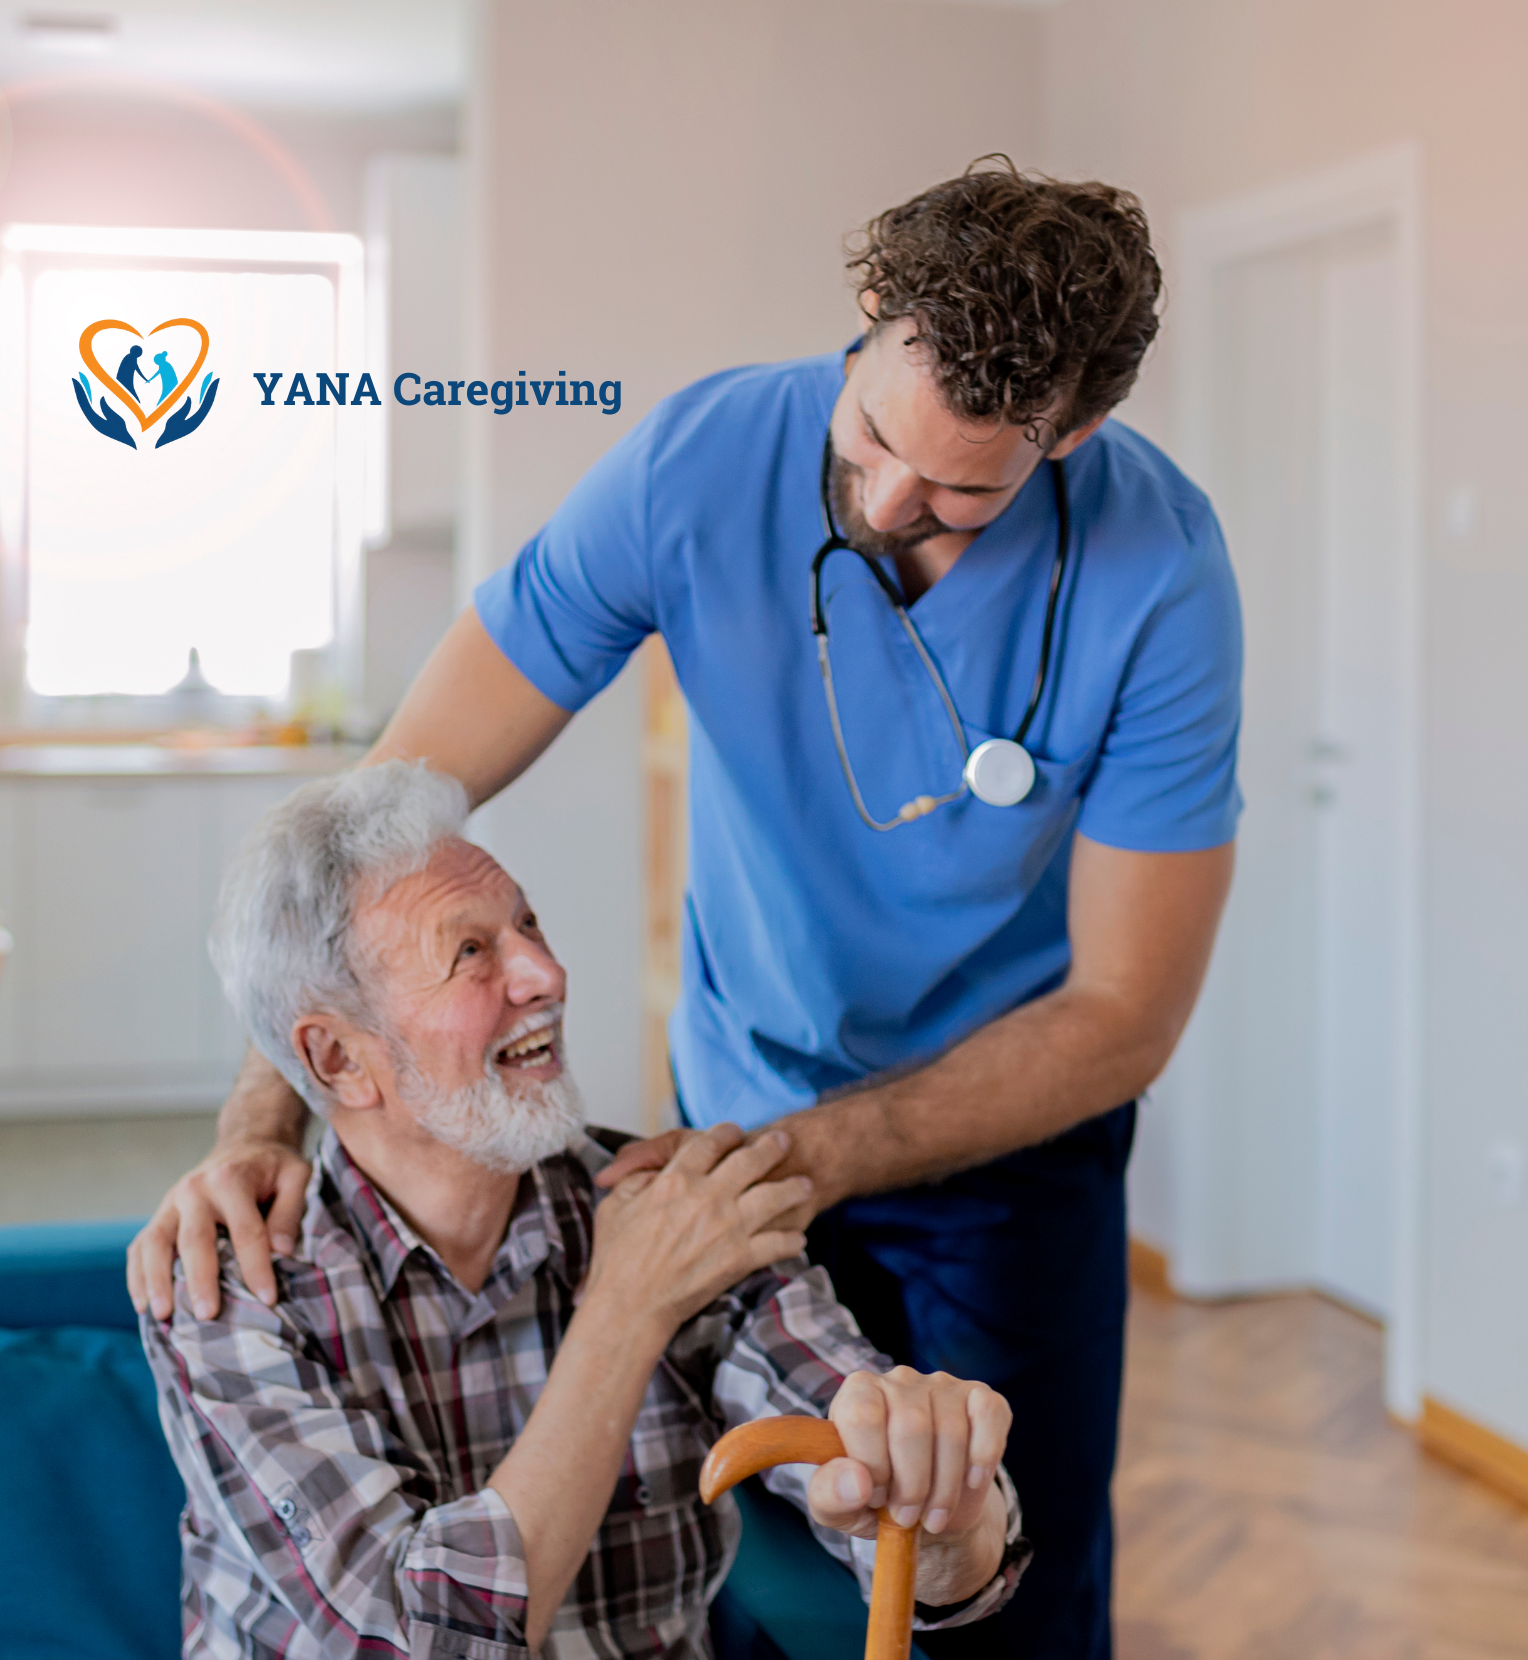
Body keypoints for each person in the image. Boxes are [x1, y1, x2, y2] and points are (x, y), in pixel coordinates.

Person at [131, 159, 1241, 1659]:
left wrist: (783, 1174)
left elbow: (1125, 1012)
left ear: (1075, 439)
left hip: (1005, 1140)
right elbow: (381, 811)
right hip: (741, 1087)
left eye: (962, 491)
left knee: (1001, 1577)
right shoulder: (696, 467)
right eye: (870, 440)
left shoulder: (1158, 573)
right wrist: (269, 1114)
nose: (889, 505)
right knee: (746, 1564)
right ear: (868, 319)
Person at [141, 761, 1027, 1659]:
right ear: (337, 1060)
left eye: (527, 923)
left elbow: (929, 1567)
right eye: (470, 953)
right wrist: (625, 1310)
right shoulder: (231, 1284)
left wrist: (943, 1506)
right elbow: (423, 1648)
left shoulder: (676, 1206)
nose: (545, 972)